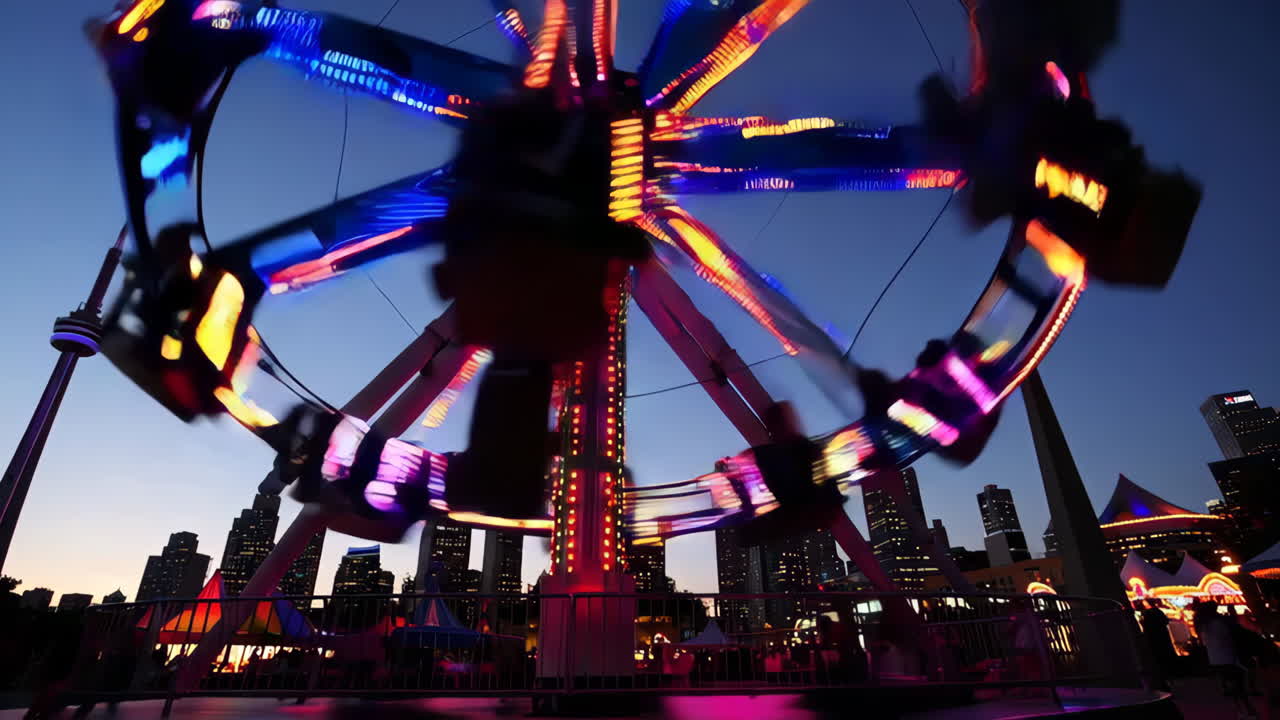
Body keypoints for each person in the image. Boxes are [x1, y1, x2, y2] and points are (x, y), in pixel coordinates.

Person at [1196, 601, 1257, 719]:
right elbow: (1232, 635)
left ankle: (1241, 710)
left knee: (1233, 684)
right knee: (1239, 685)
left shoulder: (1204, 624)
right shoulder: (1219, 622)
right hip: (1228, 656)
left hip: (1216, 659)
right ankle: (1247, 710)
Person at [1139, 600, 1175, 689]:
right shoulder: (1157, 615)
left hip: (1154, 644)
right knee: (1165, 662)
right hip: (1163, 643)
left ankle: (1163, 683)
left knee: (1158, 663)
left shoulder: (1148, 621)